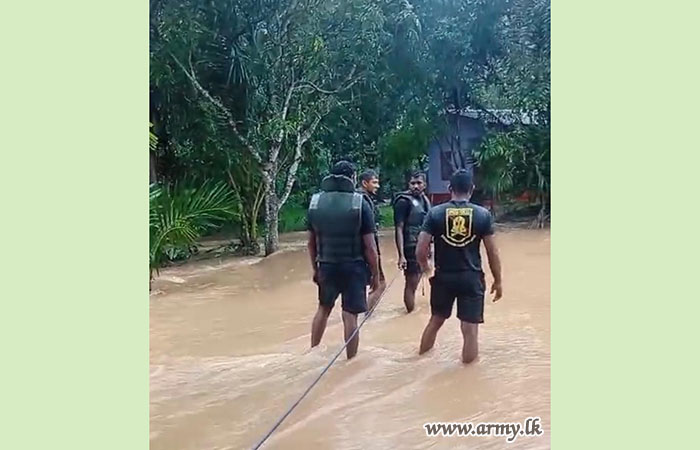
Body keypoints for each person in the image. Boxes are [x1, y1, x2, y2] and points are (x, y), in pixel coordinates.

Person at [415, 169, 503, 364]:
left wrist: (427, 269)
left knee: (436, 321)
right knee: (470, 330)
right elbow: (492, 252)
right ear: (471, 188)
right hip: (471, 277)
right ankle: (469, 374)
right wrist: (498, 280)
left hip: (443, 277)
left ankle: (418, 363)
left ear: (450, 188)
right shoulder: (482, 214)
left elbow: (421, 249)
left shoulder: (435, 213)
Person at [306, 161, 380, 359]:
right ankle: (350, 361)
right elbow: (370, 247)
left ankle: (311, 354)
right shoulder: (359, 203)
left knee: (323, 308)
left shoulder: (316, 203)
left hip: (326, 265)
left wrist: (315, 269)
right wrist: (375, 274)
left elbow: (311, 243)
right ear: (352, 177)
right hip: (354, 267)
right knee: (350, 315)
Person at [392, 171, 431, 313]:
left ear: (424, 185)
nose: (415, 186)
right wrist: (401, 255)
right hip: (410, 247)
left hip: (423, 246)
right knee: (411, 282)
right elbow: (399, 228)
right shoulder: (403, 202)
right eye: (412, 183)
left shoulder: (424, 200)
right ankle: (409, 314)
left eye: (419, 183)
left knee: (421, 277)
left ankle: (413, 313)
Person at [358, 169, 386, 310]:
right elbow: (369, 232)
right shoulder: (364, 201)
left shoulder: (354, 199)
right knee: (380, 283)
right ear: (365, 183)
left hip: (356, 250)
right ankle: (367, 315)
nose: (377, 186)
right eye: (374, 182)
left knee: (361, 285)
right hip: (368, 248)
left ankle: (359, 313)